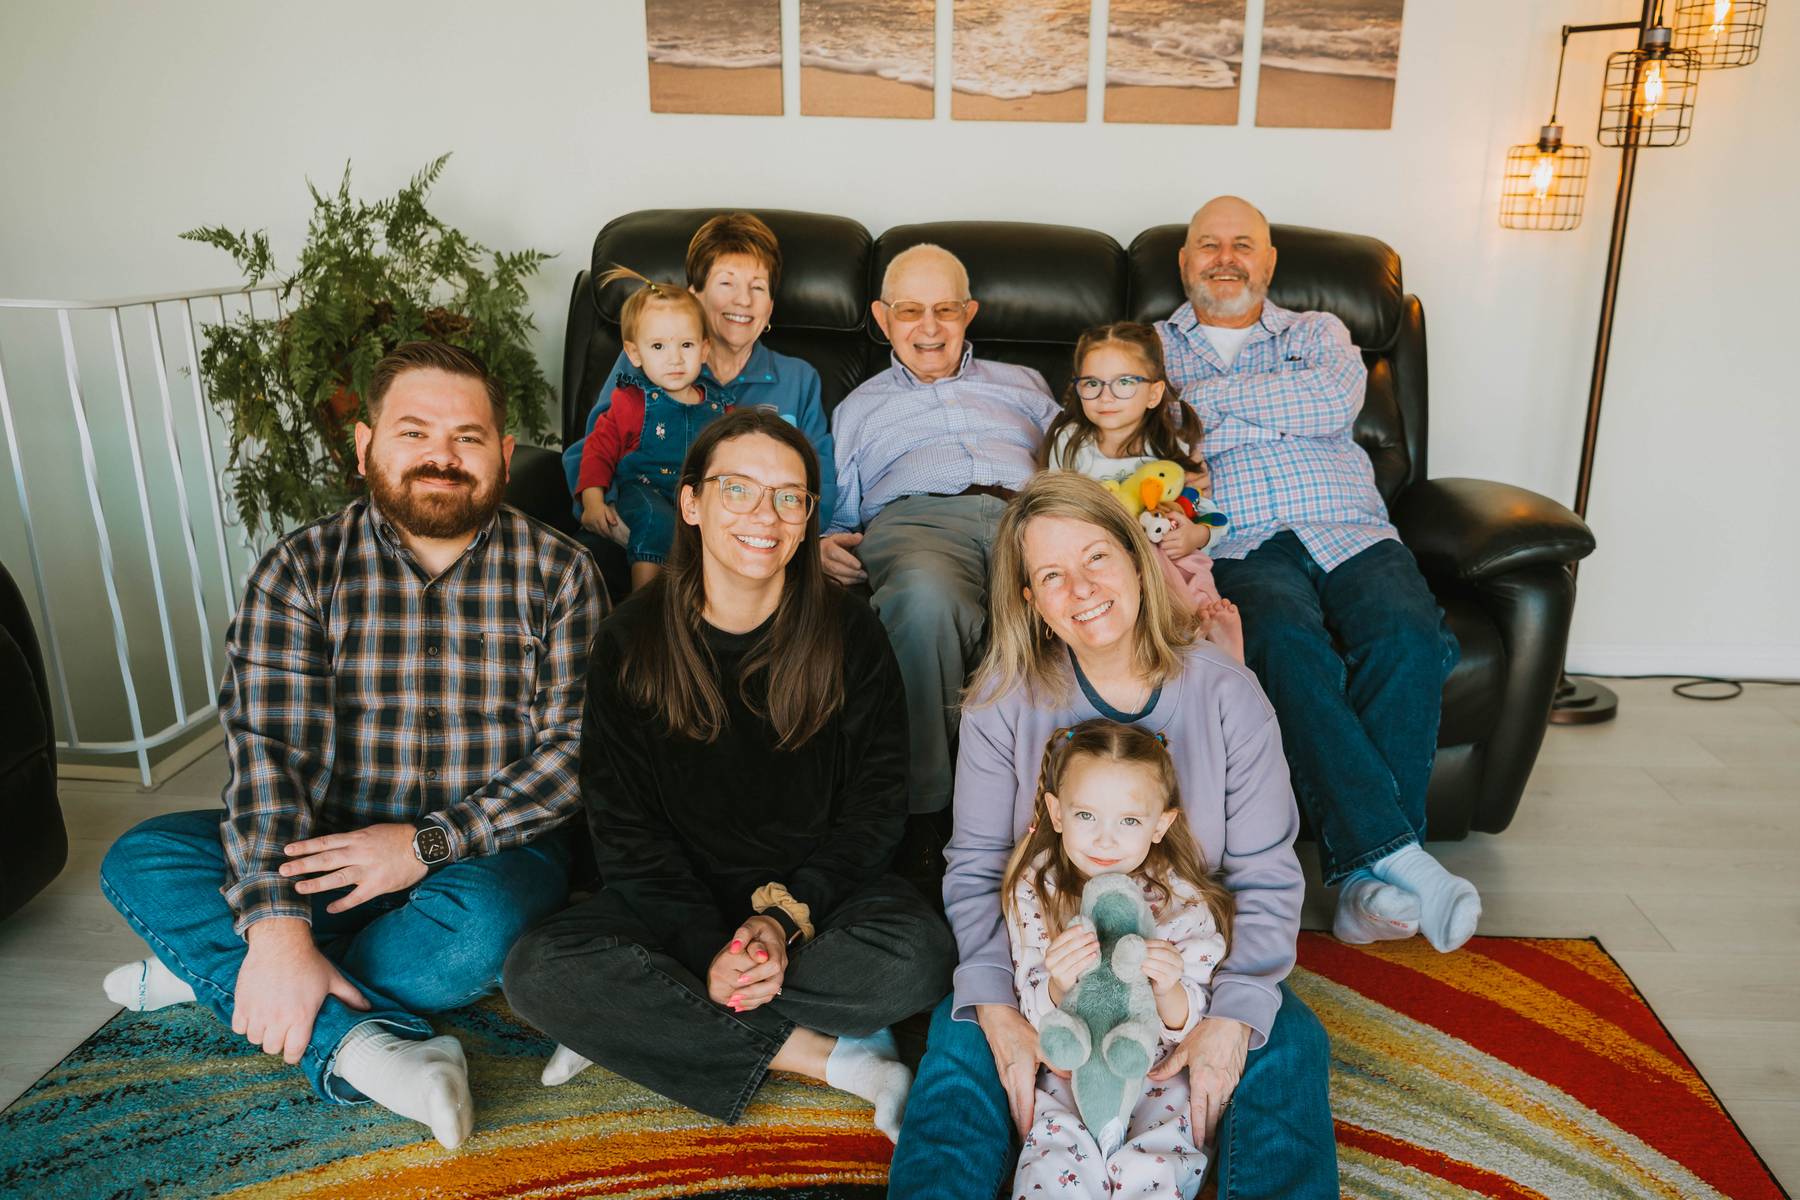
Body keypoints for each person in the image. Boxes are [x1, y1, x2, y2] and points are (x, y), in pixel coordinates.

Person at [97, 341, 605, 1150]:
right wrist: (280, 929)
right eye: (415, 432)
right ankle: (367, 1045)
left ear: (505, 456)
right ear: (365, 444)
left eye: (468, 437)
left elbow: (568, 759)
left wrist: (426, 843)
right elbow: (269, 755)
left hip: (484, 857)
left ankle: (215, 977)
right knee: (142, 857)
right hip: (326, 848)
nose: (442, 456)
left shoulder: (561, 572)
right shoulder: (299, 570)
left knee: (484, 930)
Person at [504, 409, 956, 1141]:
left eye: (790, 496)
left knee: (918, 959)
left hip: (821, 907)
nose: (765, 516)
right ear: (692, 502)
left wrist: (777, 923)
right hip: (671, 903)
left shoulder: (850, 632)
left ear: (810, 514)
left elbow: (875, 813)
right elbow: (623, 828)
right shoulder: (630, 637)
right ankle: (826, 1058)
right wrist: (709, 944)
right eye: (739, 489)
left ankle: (642, 1024)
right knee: (537, 972)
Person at [888, 471, 1335, 1200]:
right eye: (1052, 575)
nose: (1083, 588)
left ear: (1136, 557)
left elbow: (1265, 874)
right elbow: (975, 869)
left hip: (1186, 969)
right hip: (1041, 970)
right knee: (962, 1044)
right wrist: (998, 1006)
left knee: (1290, 1038)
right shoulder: (1004, 700)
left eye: (1097, 557)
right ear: (1030, 603)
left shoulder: (1226, 694)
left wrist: (1230, 1013)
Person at [1156, 196, 1476, 952]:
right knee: (1283, 649)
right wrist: (1271, 407)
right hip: (1236, 539)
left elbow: (1333, 400)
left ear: (1269, 263)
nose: (1226, 258)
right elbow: (1151, 427)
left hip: (1351, 526)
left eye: (1243, 245)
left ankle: (1369, 881)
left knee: (1409, 638)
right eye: (1209, 244)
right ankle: (1391, 865)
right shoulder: (1150, 348)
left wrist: (1206, 407)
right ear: (1184, 262)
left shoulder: (1318, 331)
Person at [823, 243, 1061, 814]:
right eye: (909, 311)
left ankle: (1055, 816)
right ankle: (924, 815)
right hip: (917, 521)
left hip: (1030, 516)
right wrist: (823, 545)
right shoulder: (857, 407)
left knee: (1065, 602)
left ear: (969, 313)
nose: (929, 327)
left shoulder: (1026, 382)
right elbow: (839, 510)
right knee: (926, 599)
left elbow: (1082, 456)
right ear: (882, 320)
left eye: (945, 310)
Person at [1006, 720, 1232, 1200]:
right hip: (1068, 1076)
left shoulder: (1181, 898)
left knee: (1156, 1170)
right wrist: (1058, 983)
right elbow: (1030, 1013)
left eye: (1129, 821)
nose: (1105, 841)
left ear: (1160, 825)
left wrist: (1169, 987)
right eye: (1086, 815)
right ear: (1057, 812)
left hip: (1156, 1075)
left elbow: (1192, 1022)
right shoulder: (1037, 888)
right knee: (1052, 1170)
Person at [563, 212, 836, 527]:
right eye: (726, 283)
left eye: (758, 288)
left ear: (771, 306)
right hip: (642, 521)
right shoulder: (652, 361)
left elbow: (819, 481)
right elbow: (591, 450)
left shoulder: (799, 380)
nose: (744, 300)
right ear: (695, 295)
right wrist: (620, 521)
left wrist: (806, 539)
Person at [1042, 320, 1243, 661]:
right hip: (1102, 556)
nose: (1105, 396)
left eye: (1124, 383)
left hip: (1165, 553)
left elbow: (1211, 513)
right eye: (1092, 383)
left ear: (1153, 393)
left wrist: (1196, 534)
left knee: (1187, 566)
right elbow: (1054, 508)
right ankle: (1179, 637)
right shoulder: (1070, 443)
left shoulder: (1169, 449)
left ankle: (1210, 637)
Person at [575, 266, 731, 590]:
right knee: (656, 521)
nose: (674, 359)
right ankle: (643, 606)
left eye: (686, 346)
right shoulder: (631, 402)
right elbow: (598, 450)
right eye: (658, 347)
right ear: (634, 353)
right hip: (645, 490)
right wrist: (592, 501)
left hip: (699, 495)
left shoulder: (720, 405)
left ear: (704, 349)